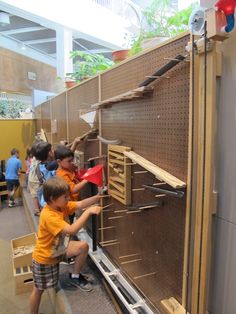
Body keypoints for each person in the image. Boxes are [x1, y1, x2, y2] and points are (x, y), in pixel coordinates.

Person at [29, 176, 102, 314]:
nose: (68, 199)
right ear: (52, 198)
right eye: (65, 197)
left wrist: (99, 196)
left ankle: (75, 276)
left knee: (82, 247)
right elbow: (71, 230)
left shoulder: (60, 205)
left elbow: (81, 203)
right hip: (45, 258)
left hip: (59, 249)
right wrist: (88, 212)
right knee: (39, 289)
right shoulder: (49, 216)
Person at [54, 145, 89, 224]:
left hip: (71, 204)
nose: (72, 163)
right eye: (69, 161)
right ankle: (69, 234)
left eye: (72, 160)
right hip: (67, 207)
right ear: (59, 162)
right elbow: (73, 190)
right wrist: (87, 179)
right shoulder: (61, 174)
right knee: (69, 222)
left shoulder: (66, 168)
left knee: (72, 219)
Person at [28, 141, 55, 216]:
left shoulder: (41, 164)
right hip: (52, 200)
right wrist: (75, 144)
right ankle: (37, 210)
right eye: (52, 150)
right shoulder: (49, 166)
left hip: (47, 199)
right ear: (49, 153)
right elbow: (61, 159)